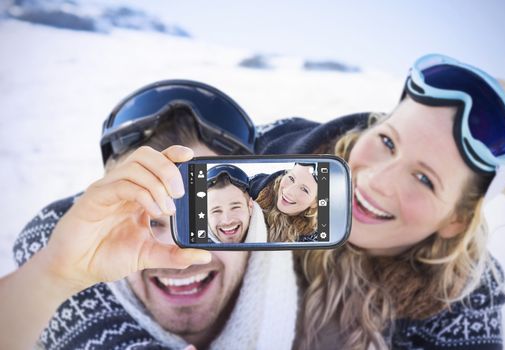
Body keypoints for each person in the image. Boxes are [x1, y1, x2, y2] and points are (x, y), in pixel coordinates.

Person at [255, 54, 505, 349]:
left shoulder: (464, 305)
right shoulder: (274, 156)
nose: (377, 182)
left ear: (456, 220)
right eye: (387, 142)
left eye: (424, 179)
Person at [3, 80, 298, 350]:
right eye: (152, 220)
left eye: (204, 216)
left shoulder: (324, 314)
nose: (180, 253)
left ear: (250, 212)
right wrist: (53, 277)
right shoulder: (38, 323)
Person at [249, 163, 319, 242]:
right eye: (291, 178)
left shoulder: (316, 238)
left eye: (304, 189)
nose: (288, 191)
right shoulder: (253, 186)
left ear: (315, 203)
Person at [206, 165, 267, 243]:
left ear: (250, 207)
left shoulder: (276, 241)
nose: (227, 221)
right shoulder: (196, 250)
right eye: (216, 211)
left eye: (235, 207)